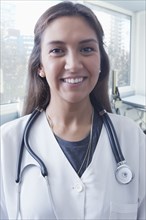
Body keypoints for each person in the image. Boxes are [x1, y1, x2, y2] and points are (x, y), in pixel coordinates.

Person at [0, 1, 145, 220]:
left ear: (100, 62)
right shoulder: (7, 142)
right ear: (40, 65)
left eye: (86, 49)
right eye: (57, 50)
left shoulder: (132, 138)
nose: (74, 64)